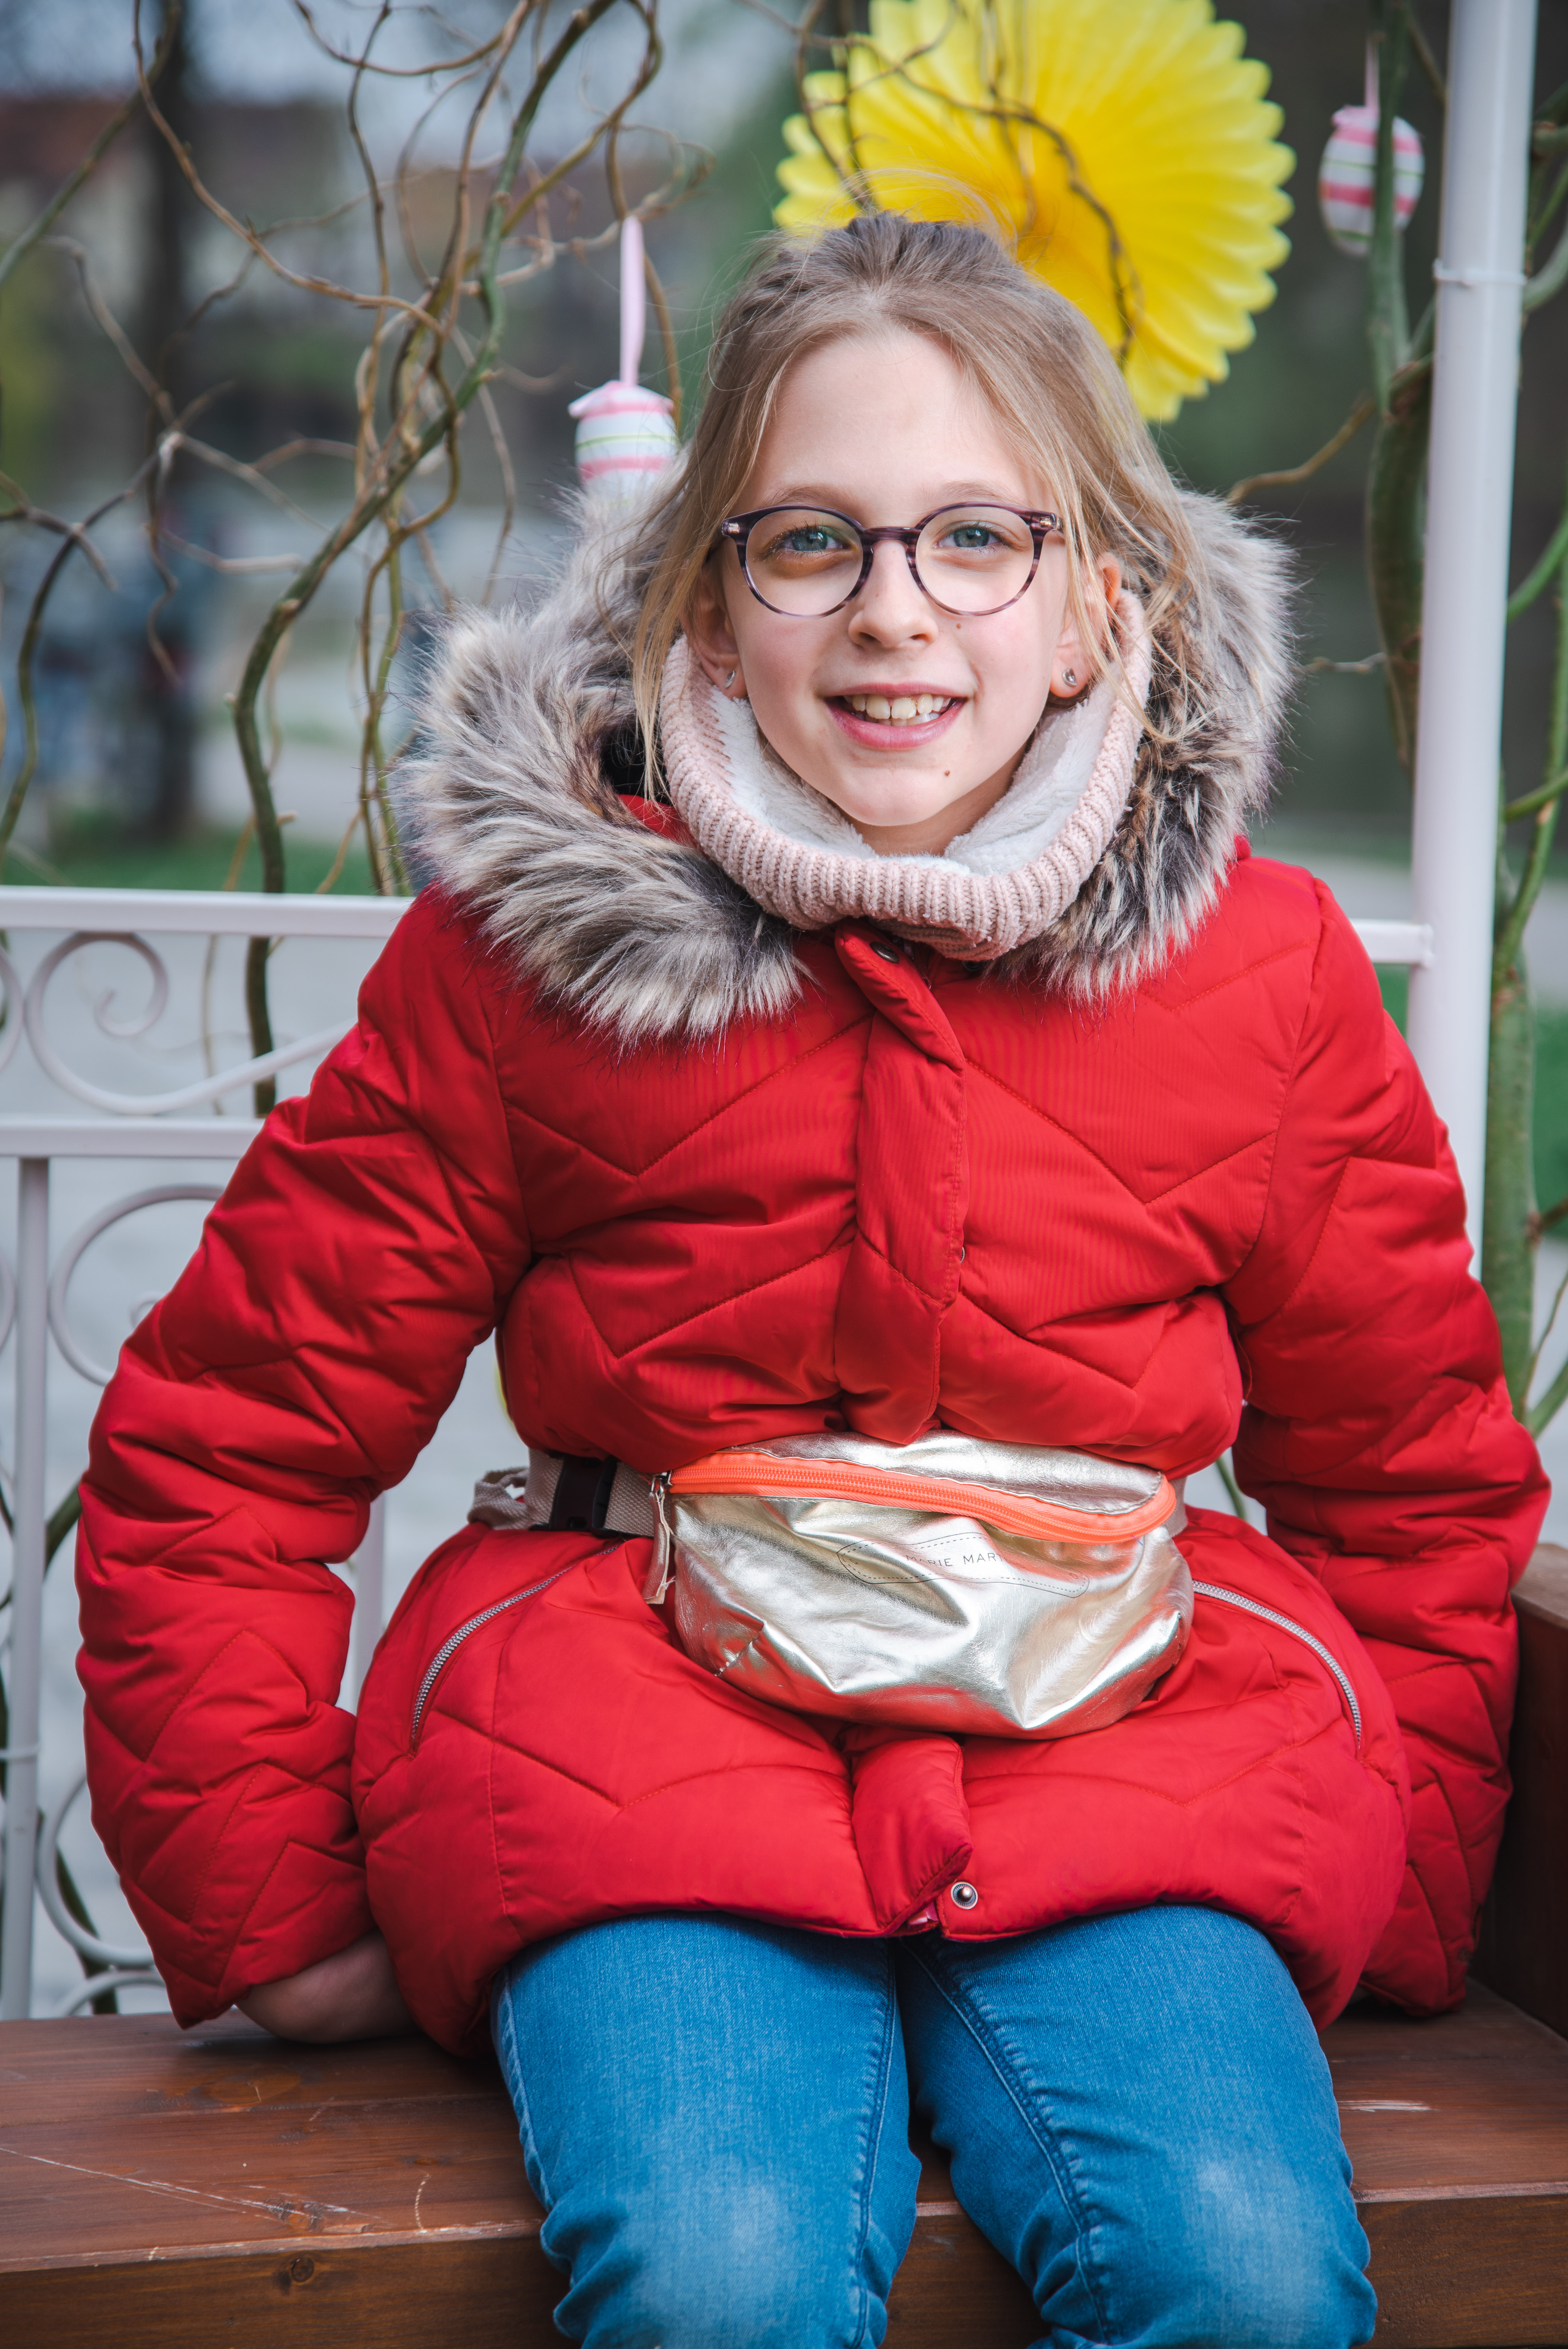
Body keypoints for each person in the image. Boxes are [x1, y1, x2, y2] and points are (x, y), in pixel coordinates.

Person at [78, 215, 1546, 2349]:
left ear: (1098, 606)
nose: (894, 611)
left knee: (1238, 2265)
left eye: (978, 538)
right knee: (719, 2276)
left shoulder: (1265, 980)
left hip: (1132, 1772)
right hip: (632, 1785)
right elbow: (233, 1440)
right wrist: (274, 1908)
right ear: (704, 595)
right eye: (809, 543)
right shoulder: (531, 969)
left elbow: (1413, 1476)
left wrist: (1395, 1867)